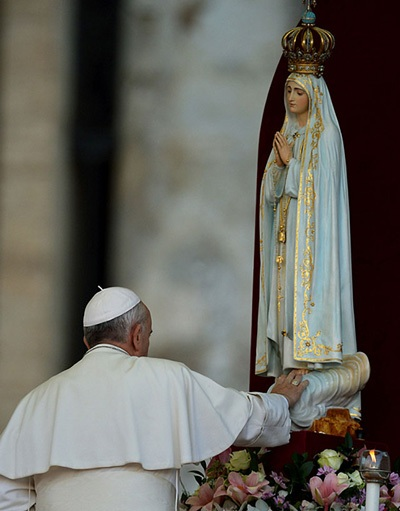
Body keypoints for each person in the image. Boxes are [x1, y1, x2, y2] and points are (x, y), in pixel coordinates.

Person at [0, 286, 308, 511]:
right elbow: (243, 417)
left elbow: (8, 495)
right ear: (136, 336)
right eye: (149, 335)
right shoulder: (167, 378)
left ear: (86, 342)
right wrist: (280, 400)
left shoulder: (36, 401)